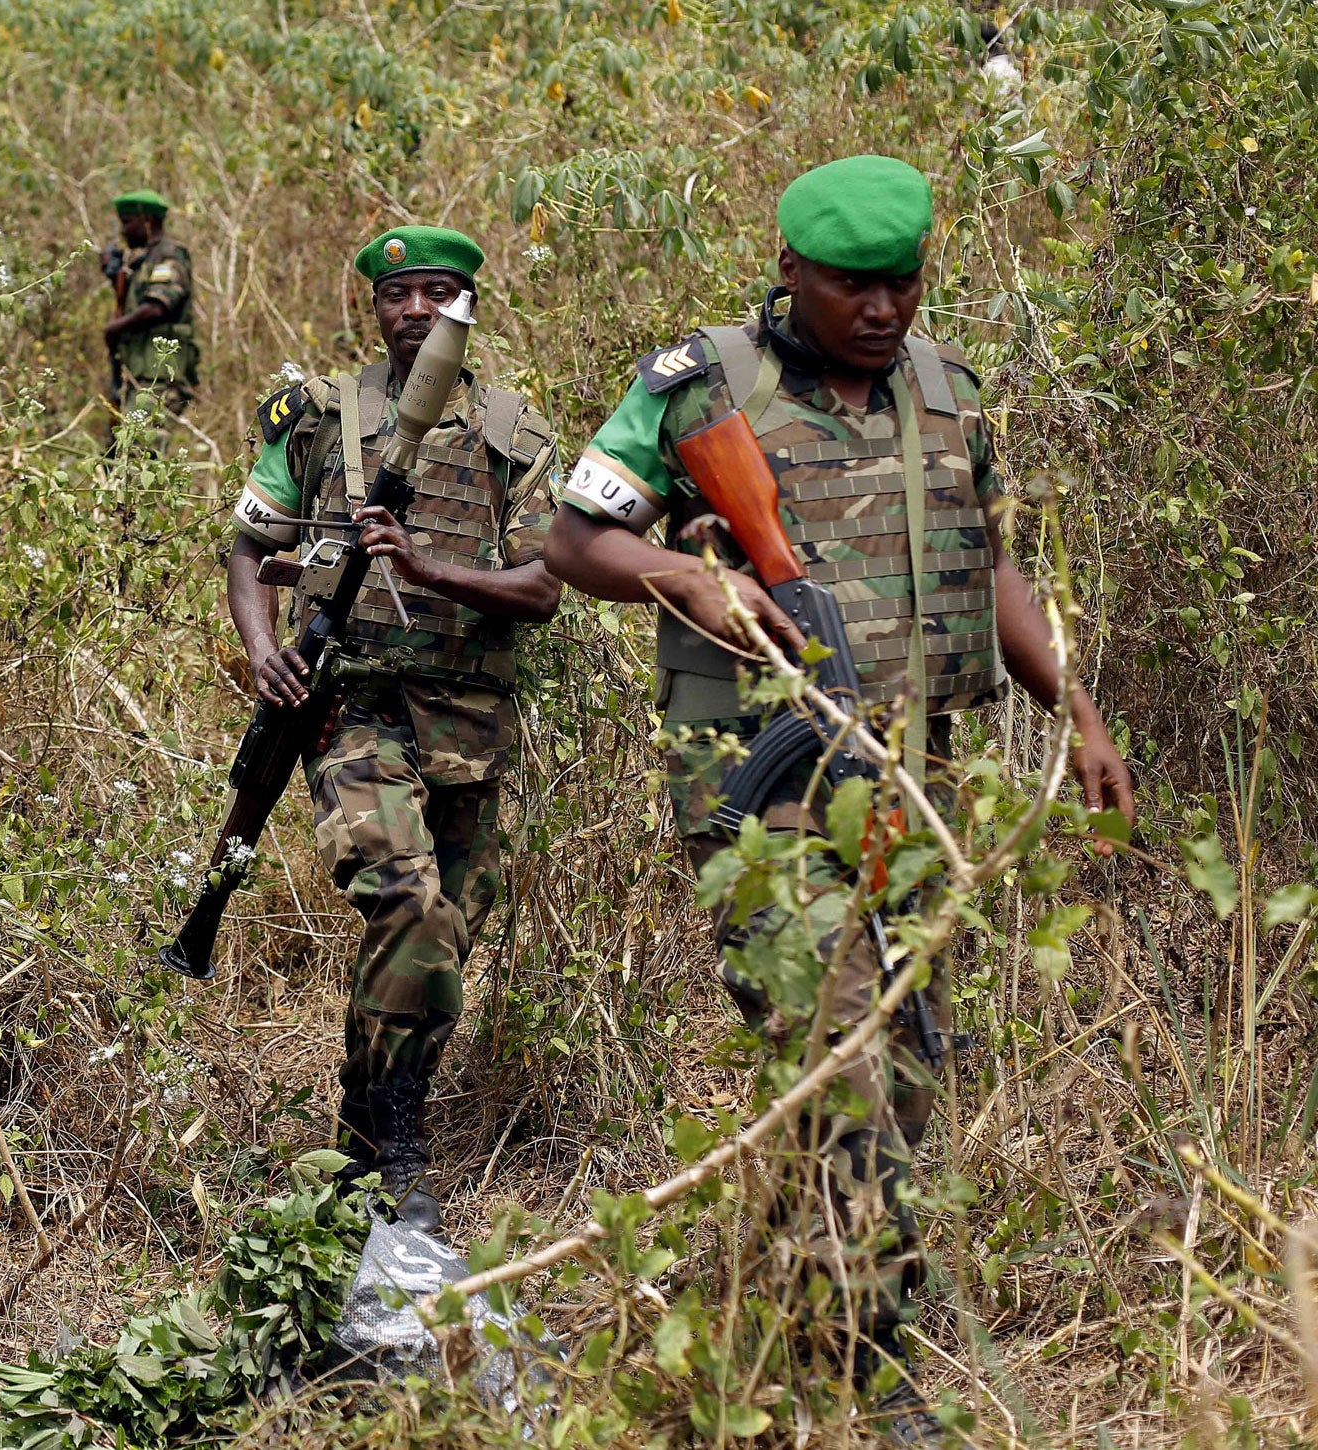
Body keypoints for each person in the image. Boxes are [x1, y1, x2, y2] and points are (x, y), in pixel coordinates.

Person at [544, 155, 1134, 1444]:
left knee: (906, 1065)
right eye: (849, 284)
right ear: (787, 266)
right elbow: (570, 541)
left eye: (901, 282)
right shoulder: (699, 386)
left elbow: (989, 569)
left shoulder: (945, 391)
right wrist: (686, 581)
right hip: (760, 797)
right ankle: (869, 1374)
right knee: (840, 1060)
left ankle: (784, 1296)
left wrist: (1072, 706)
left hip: (911, 787)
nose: (880, 308)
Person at [229, 226, 562, 1234]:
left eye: (437, 294)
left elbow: (543, 585)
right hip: (351, 712)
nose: (415, 310)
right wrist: (260, 649)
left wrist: (426, 570)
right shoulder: (319, 417)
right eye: (397, 294)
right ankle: (402, 1154)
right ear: (373, 308)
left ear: (468, 308)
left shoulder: (513, 430)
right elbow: (251, 546)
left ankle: (361, 1134)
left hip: (467, 723)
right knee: (409, 910)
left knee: (438, 944)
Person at [102, 188, 197, 439]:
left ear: (148, 221)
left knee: (141, 447)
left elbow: (157, 307)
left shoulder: (169, 255)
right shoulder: (141, 260)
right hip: (135, 372)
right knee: (118, 447)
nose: (123, 231)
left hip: (159, 375)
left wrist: (114, 328)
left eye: (128, 223)